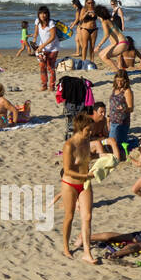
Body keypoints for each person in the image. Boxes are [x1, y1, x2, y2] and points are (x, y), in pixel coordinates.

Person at [59, 113, 99, 264]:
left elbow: (86, 159)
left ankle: (87, 252)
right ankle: (66, 247)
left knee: (87, 216)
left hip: (85, 183)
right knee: (69, 216)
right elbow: (67, 170)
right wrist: (86, 176)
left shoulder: (87, 141)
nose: (90, 133)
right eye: (88, 130)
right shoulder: (69, 145)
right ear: (80, 129)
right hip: (70, 183)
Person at [33, 6, 60, 92]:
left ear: (47, 14)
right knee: (42, 66)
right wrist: (34, 43)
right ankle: (44, 85)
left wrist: (42, 46)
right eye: (41, 13)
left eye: (45, 13)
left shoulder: (51, 23)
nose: (43, 15)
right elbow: (36, 33)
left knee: (50, 67)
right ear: (38, 14)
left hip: (53, 48)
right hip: (42, 48)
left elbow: (52, 37)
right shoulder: (37, 21)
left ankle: (51, 86)